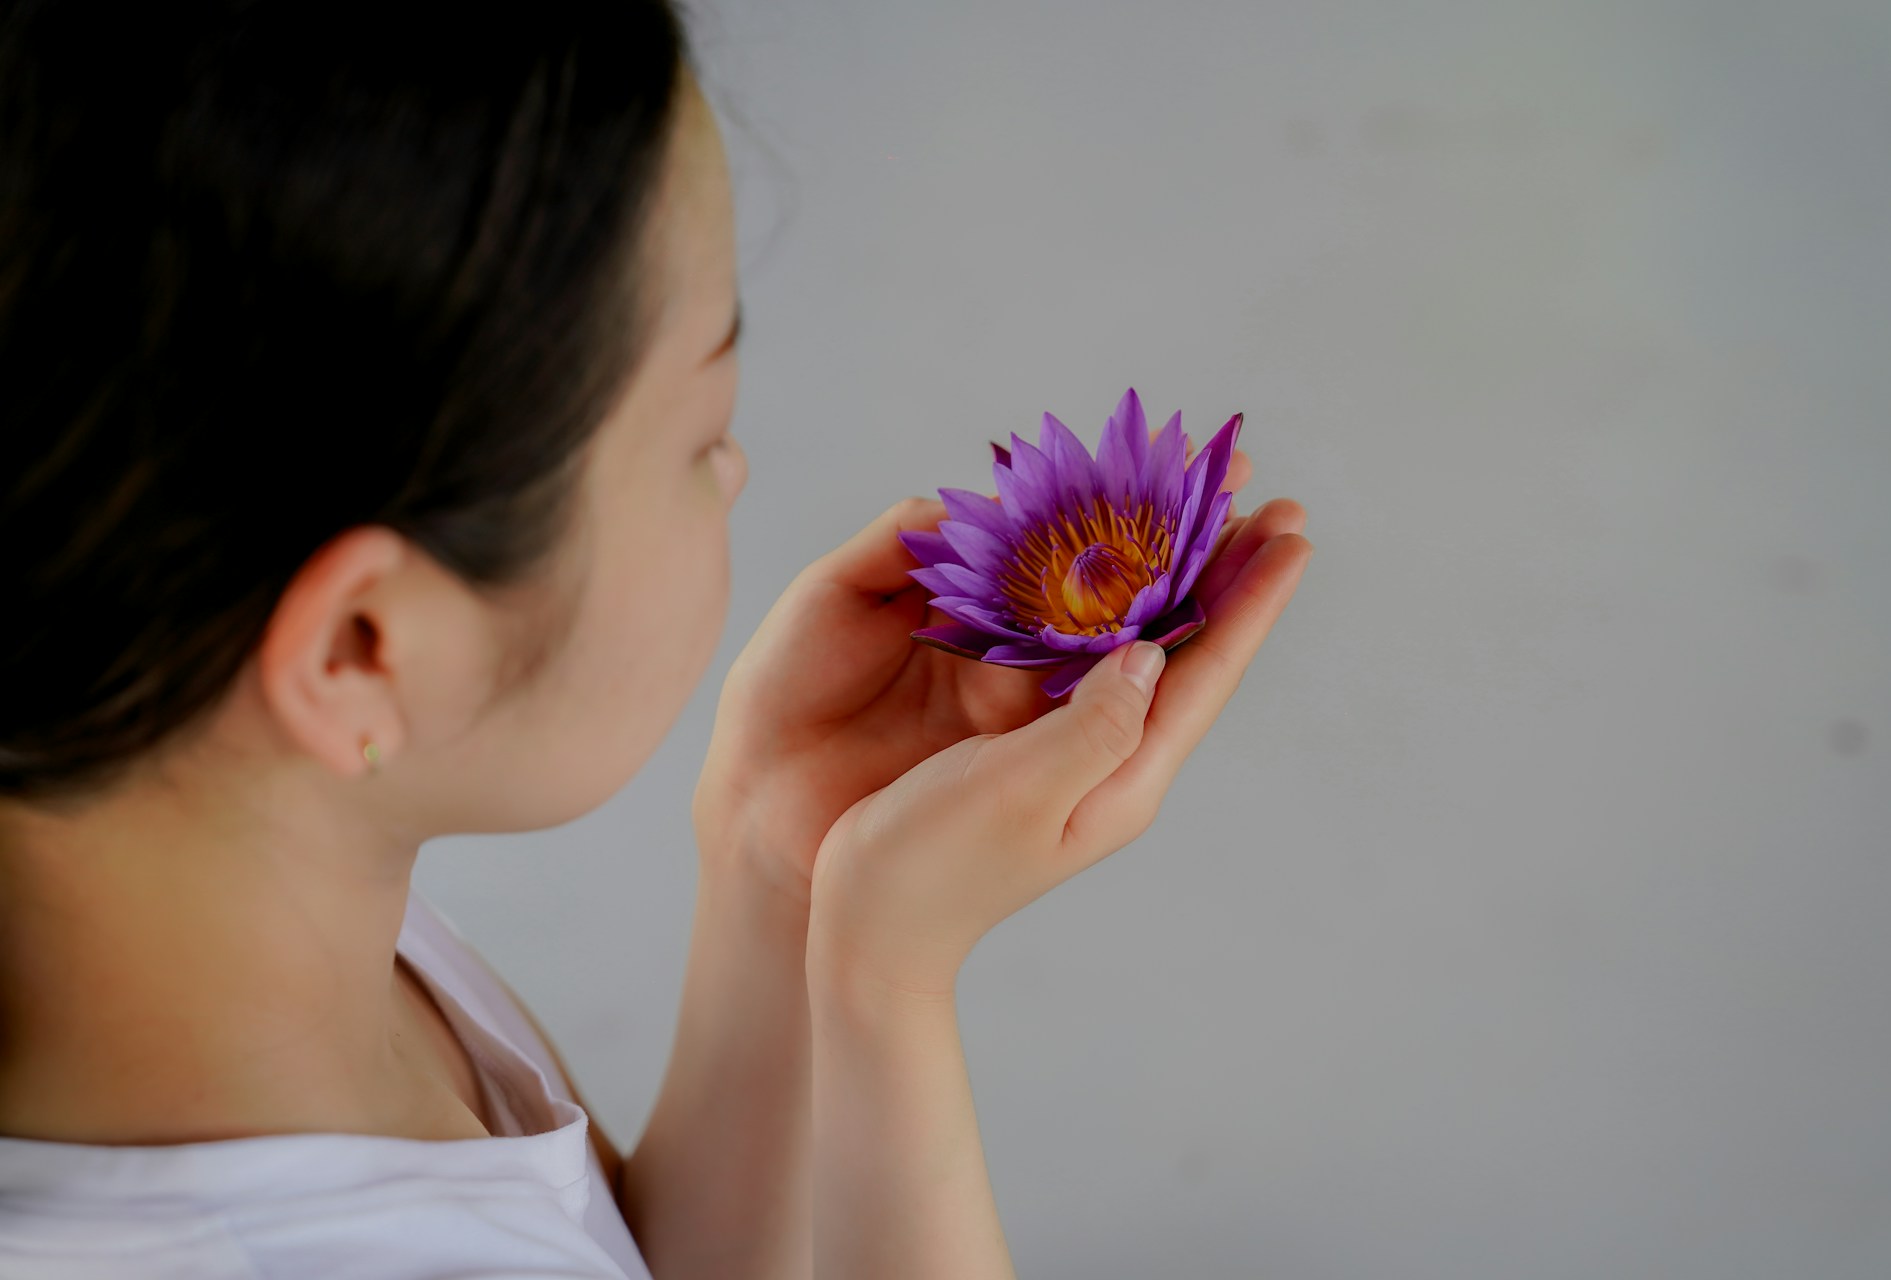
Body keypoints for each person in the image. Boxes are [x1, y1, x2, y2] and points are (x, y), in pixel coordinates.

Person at [0, 1, 1313, 1276]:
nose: (736, 472)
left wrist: (777, 868)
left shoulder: (255, 916)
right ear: (363, 648)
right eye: (701, 434)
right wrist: (887, 984)